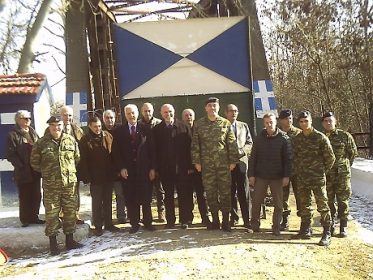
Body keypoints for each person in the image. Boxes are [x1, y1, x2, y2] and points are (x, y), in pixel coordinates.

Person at [30, 115, 83, 255]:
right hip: (51, 185)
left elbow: (76, 158)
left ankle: (70, 241)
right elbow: (34, 163)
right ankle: (53, 245)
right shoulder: (41, 143)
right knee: (52, 214)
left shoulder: (70, 140)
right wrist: (49, 173)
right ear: (49, 126)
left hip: (69, 184)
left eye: (59, 125)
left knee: (70, 212)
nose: (56, 128)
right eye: (53, 125)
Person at [191, 97, 239, 232]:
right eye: (210, 106)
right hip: (207, 167)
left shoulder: (225, 123)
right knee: (210, 194)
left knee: (225, 193)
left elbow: (232, 143)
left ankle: (225, 221)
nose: (212, 108)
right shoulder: (199, 124)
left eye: (215, 106)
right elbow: (195, 145)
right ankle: (215, 220)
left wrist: (232, 161)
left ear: (218, 108)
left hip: (224, 166)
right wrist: (197, 162)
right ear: (205, 108)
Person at [292, 111, 335, 246]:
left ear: (311, 121)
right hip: (303, 177)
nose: (304, 124)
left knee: (322, 205)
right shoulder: (297, 139)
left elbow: (330, 158)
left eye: (306, 121)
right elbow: (294, 157)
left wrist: (321, 171)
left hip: (317, 177)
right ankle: (305, 229)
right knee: (304, 204)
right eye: (301, 122)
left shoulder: (320, 138)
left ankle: (327, 232)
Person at [112, 104, 154, 233]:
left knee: (146, 197)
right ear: (125, 115)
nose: (131, 115)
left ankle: (148, 222)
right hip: (128, 171)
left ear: (137, 113)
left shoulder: (146, 129)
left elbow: (153, 150)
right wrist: (121, 168)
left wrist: (152, 168)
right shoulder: (119, 131)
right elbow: (116, 152)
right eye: (129, 113)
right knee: (131, 198)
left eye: (133, 113)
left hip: (144, 169)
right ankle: (134, 223)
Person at [152, 104, 194, 229]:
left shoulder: (183, 127)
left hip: (182, 168)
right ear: (161, 113)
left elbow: (190, 148)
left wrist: (190, 166)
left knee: (183, 195)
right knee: (168, 196)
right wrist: (156, 168)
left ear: (174, 112)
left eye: (170, 111)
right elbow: (154, 151)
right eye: (165, 112)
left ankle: (184, 220)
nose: (167, 114)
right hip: (165, 170)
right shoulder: (157, 130)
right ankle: (170, 221)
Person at [248, 113, 291, 236]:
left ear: (275, 122)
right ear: (264, 124)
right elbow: (253, 158)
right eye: (266, 122)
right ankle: (255, 225)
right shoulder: (259, 138)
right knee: (256, 202)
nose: (269, 125)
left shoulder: (284, 138)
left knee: (278, 204)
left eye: (271, 122)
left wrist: (286, 176)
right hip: (261, 175)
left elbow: (288, 159)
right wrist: (251, 175)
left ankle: (276, 227)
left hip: (277, 176)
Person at [79, 116, 120, 236]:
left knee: (108, 200)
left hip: (108, 175)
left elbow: (114, 154)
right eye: (95, 126)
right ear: (90, 127)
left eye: (99, 126)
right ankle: (98, 225)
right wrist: (86, 177)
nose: (98, 129)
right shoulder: (85, 140)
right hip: (95, 177)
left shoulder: (107, 136)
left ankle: (109, 223)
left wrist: (116, 170)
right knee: (97, 202)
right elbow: (83, 160)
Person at [322, 111, 357, 237]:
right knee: (328, 201)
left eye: (330, 120)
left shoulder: (345, 136)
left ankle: (343, 226)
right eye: (325, 121)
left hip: (342, 175)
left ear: (335, 121)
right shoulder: (321, 137)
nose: (328, 123)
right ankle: (330, 226)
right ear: (323, 123)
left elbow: (352, 153)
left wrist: (344, 165)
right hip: (327, 175)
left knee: (343, 201)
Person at [6, 110, 43, 227]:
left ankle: (34, 216)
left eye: (29, 118)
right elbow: (10, 154)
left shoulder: (33, 132)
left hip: (35, 170)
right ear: (18, 120)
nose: (28, 121)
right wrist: (21, 166)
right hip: (23, 171)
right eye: (25, 118)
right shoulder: (13, 135)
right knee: (25, 195)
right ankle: (25, 219)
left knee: (36, 194)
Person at [225, 104, 253, 229]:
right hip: (227, 164)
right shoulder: (222, 126)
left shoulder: (244, 125)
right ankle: (234, 218)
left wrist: (242, 151)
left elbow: (249, 142)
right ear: (226, 113)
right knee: (230, 192)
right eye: (231, 111)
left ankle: (247, 220)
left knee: (244, 193)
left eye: (235, 111)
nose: (233, 113)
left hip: (242, 163)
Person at [182, 108, 211, 227]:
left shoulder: (200, 128)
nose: (188, 117)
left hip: (201, 168)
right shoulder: (180, 130)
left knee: (202, 194)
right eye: (186, 115)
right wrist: (189, 167)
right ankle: (188, 218)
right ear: (183, 117)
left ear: (194, 116)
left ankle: (205, 217)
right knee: (187, 195)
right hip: (187, 169)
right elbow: (182, 152)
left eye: (190, 115)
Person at [139, 102, 165, 222]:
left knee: (159, 189)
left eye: (149, 111)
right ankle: (146, 216)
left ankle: (161, 212)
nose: (147, 113)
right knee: (145, 190)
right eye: (145, 111)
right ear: (141, 111)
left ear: (153, 111)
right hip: (144, 162)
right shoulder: (138, 125)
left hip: (158, 161)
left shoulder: (159, 123)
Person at [59, 105, 85, 224]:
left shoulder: (78, 130)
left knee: (74, 191)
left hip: (75, 168)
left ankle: (75, 214)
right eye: (65, 115)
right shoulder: (54, 129)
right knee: (60, 192)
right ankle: (60, 214)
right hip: (59, 168)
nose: (67, 117)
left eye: (69, 115)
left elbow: (83, 148)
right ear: (60, 116)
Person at [277, 109, 302, 230]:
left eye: (291, 118)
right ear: (281, 120)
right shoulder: (278, 134)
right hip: (282, 172)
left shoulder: (299, 133)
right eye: (286, 118)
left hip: (298, 171)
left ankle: (304, 221)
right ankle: (285, 220)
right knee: (283, 196)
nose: (289, 120)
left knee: (301, 196)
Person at [103, 109, 127, 224]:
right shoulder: (100, 131)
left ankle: (121, 215)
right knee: (106, 196)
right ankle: (106, 218)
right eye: (107, 118)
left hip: (118, 169)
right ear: (104, 119)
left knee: (120, 194)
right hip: (105, 170)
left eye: (111, 117)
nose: (109, 120)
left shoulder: (120, 131)